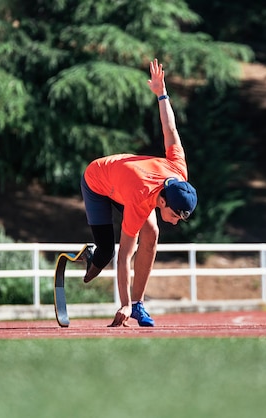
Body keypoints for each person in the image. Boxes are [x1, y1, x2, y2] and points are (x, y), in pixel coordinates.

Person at [80, 59, 197, 327]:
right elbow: (125, 258)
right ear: (163, 200)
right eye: (176, 215)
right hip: (98, 182)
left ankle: (139, 304)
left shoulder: (177, 171)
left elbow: (170, 130)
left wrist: (162, 94)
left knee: (153, 232)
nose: (177, 221)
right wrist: (122, 302)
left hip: (124, 181)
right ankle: (93, 257)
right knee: (108, 251)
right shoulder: (141, 198)